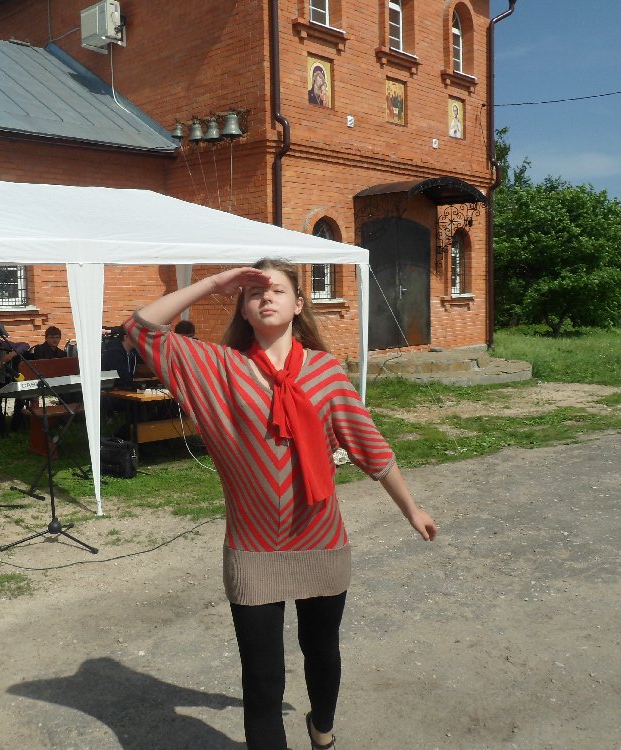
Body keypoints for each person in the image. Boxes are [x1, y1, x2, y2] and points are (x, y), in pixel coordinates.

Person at [126, 259, 437, 750]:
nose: (265, 298)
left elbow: (370, 446)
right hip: (253, 548)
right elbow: (140, 328)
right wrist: (215, 282)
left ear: (298, 305)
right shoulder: (218, 369)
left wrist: (411, 509)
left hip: (321, 540)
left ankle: (322, 730)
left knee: (322, 654)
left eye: (277, 291)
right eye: (254, 293)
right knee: (262, 680)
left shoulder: (325, 372)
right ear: (244, 310)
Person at [101, 326, 142, 391]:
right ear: (125, 337)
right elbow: (122, 375)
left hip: (124, 389)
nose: (138, 339)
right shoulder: (114, 352)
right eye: (135, 336)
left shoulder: (133, 352)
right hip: (111, 391)